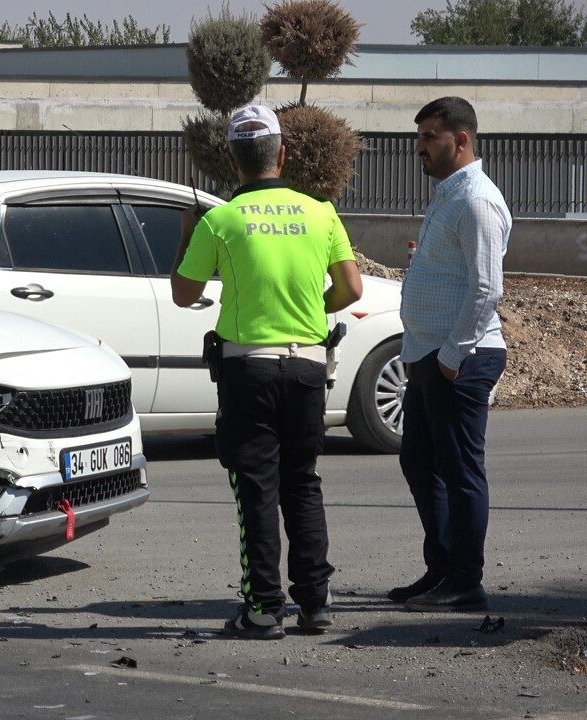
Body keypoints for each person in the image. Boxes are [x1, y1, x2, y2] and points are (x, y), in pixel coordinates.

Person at [171, 104, 363, 640]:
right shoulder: (320, 212)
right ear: (282, 154)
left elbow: (185, 293)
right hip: (306, 366)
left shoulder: (221, 220)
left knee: (256, 488)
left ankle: (262, 609)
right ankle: (315, 604)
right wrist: (307, 309)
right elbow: (351, 289)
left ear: (233, 161)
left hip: (247, 369)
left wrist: (187, 237)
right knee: (303, 483)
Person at [390, 97, 510, 612]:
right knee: (419, 460)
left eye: (429, 138)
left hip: (461, 356)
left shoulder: (477, 199)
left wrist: (453, 355)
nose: (420, 149)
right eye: (419, 138)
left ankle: (465, 580)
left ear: (460, 140)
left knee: (461, 471)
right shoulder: (448, 193)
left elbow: (486, 288)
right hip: (430, 355)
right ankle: (441, 569)